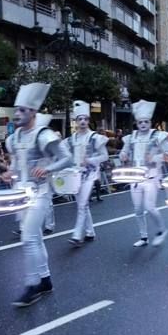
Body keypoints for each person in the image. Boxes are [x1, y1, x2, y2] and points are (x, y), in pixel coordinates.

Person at [2, 83, 72, 307]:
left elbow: (67, 158)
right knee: (35, 238)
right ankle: (45, 279)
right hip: (20, 192)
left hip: (40, 192)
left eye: (22, 110)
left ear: (33, 111)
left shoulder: (44, 135)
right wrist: (8, 173)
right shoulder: (13, 139)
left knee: (28, 237)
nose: (17, 114)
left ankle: (32, 285)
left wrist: (48, 169)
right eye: (16, 109)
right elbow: (15, 163)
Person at [120, 100, 168, 247]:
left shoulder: (157, 136)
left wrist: (155, 157)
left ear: (150, 122)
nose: (143, 124)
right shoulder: (132, 137)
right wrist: (123, 156)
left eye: (146, 121)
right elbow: (124, 151)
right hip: (135, 178)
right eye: (140, 122)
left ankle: (162, 230)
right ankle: (143, 237)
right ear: (137, 123)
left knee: (150, 207)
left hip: (151, 177)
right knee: (137, 209)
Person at [65, 101, 109, 247]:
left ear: (89, 121)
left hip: (90, 175)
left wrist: (89, 160)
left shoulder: (95, 137)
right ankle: (90, 232)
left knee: (82, 204)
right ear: (76, 121)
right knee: (82, 205)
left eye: (85, 119)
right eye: (80, 119)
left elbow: (105, 156)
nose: (83, 121)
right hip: (75, 176)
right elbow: (63, 156)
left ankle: (77, 235)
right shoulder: (71, 139)